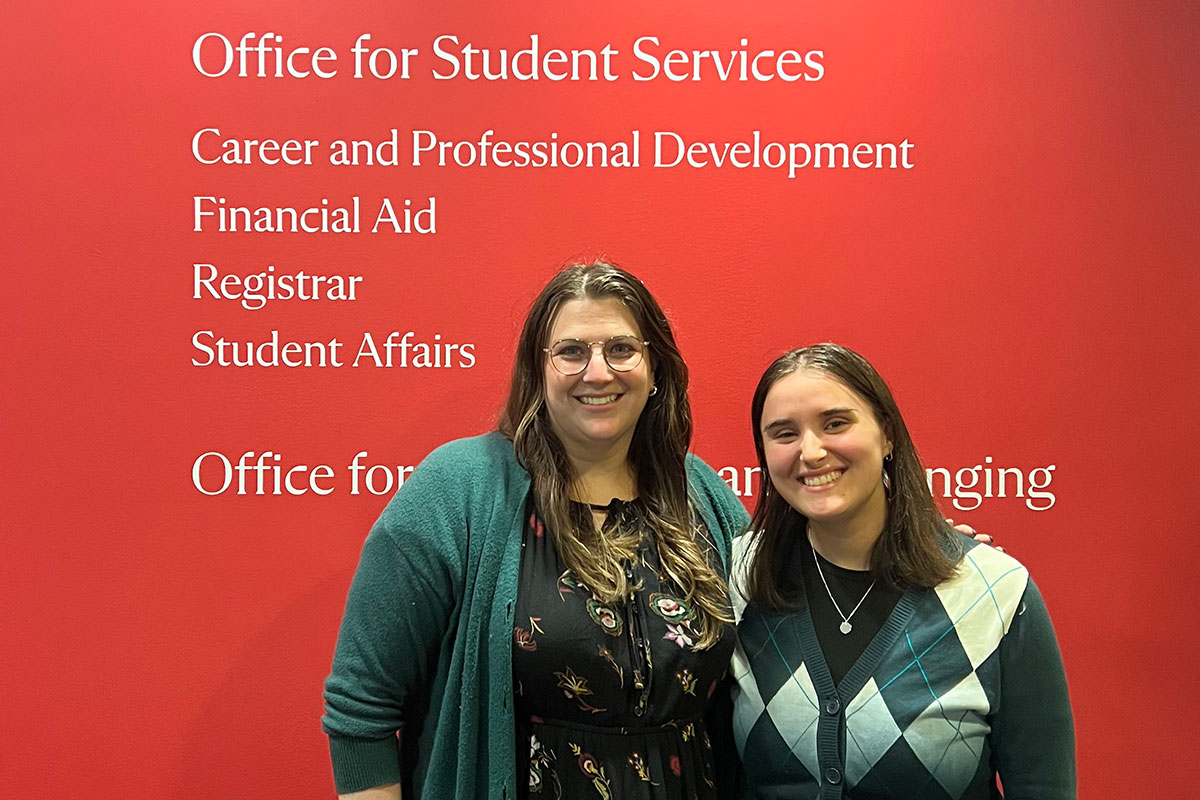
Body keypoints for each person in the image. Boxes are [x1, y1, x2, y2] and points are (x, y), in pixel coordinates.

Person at [322, 261, 750, 799]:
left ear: (656, 368)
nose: (598, 372)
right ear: (537, 369)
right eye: (572, 352)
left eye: (621, 349)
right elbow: (362, 708)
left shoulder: (703, 495)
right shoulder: (457, 491)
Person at [729, 343, 1075, 799]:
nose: (810, 452)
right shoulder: (740, 575)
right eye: (784, 433)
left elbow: (1042, 785)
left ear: (887, 434)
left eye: (835, 423)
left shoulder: (995, 591)